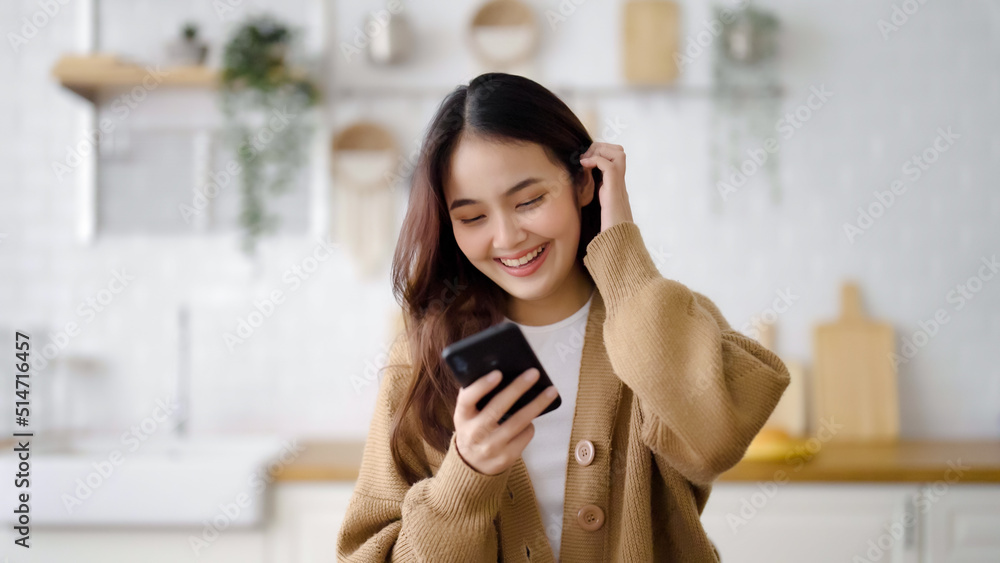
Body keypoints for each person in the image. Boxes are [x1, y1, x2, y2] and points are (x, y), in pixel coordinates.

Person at [335, 72, 790, 562]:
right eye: (472, 218)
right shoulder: (423, 356)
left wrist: (622, 249)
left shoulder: (661, 317)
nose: (507, 238)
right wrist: (466, 477)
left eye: (529, 200)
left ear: (582, 183)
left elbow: (714, 439)